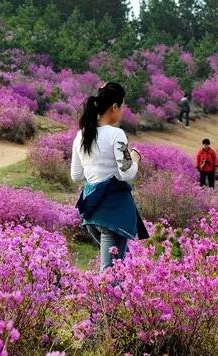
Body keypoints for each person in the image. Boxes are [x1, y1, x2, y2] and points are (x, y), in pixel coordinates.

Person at [70, 82, 148, 273]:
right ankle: (106, 302)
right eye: (122, 106)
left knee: (121, 262)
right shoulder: (116, 134)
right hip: (113, 212)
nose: (122, 111)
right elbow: (126, 173)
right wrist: (135, 158)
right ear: (114, 107)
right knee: (110, 273)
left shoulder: (81, 135)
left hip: (91, 212)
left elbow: (76, 175)